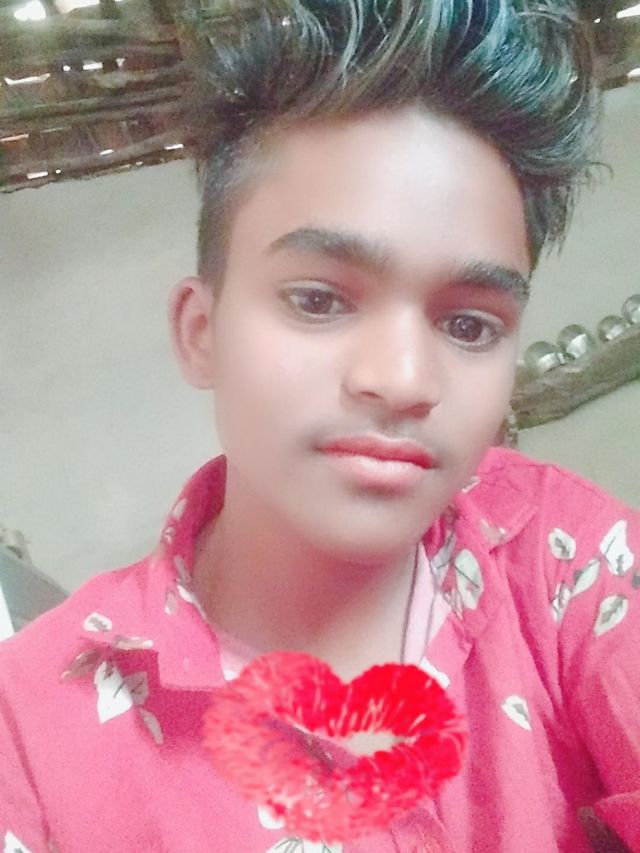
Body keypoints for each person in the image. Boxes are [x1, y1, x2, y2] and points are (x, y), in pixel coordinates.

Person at [1, 1, 638, 851]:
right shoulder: (31, 726)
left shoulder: (564, 562)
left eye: (469, 324)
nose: (403, 380)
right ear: (202, 331)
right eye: (318, 300)